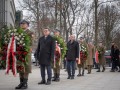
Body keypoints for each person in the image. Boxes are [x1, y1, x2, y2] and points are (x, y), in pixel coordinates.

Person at [15, 20, 34, 89]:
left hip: (26, 52)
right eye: (21, 24)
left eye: (24, 24)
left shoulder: (30, 32)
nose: (22, 25)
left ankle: (25, 84)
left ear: (27, 25)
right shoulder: (18, 32)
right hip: (19, 52)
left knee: (26, 67)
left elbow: (31, 42)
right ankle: (21, 83)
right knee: (20, 67)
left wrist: (29, 48)